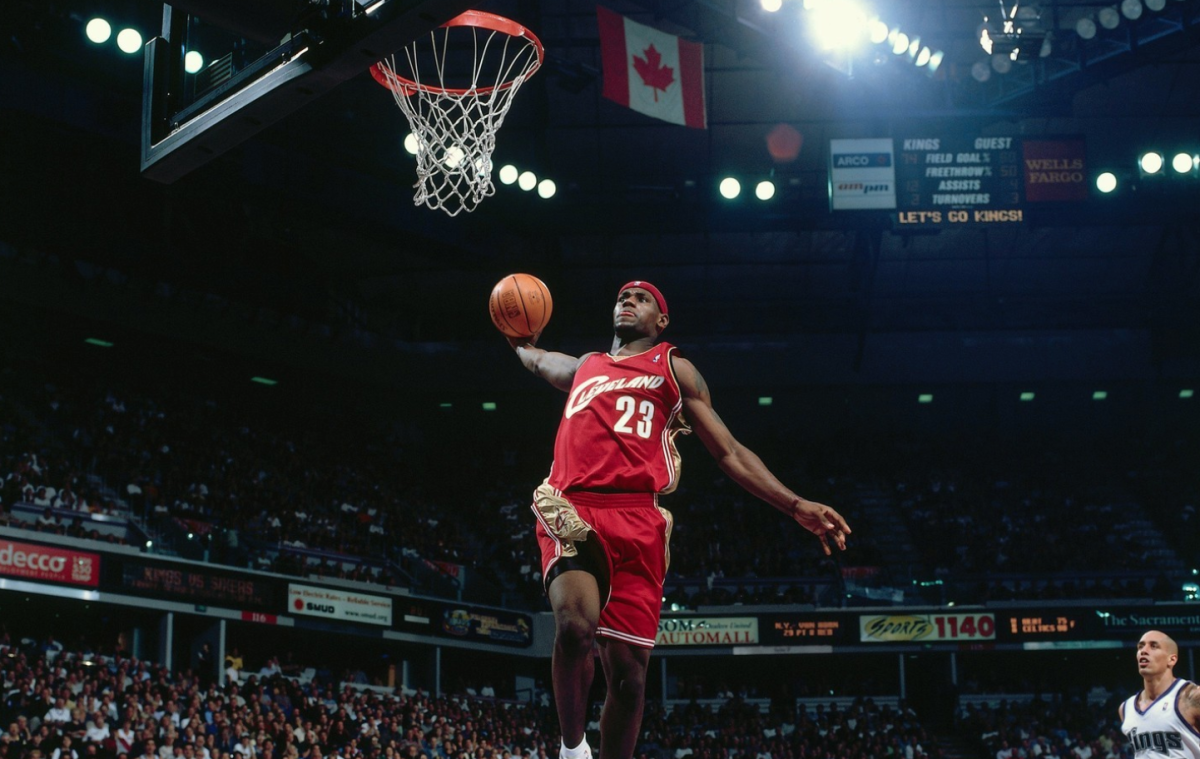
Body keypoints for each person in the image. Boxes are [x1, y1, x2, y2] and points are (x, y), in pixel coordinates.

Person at [507, 281, 851, 759]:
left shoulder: (674, 369)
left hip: (638, 519)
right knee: (575, 629)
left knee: (629, 682)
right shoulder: (587, 366)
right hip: (572, 505)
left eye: (641, 298)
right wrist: (521, 342)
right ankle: (572, 748)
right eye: (622, 295)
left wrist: (794, 505)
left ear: (661, 321)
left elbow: (729, 451)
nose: (628, 300)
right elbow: (542, 361)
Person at [1119, 629, 1200, 756]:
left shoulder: (1191, 697)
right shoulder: (1125, 708)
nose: (1144, 651)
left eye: (1154, 646)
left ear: (1172, 660)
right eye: (1140, 647)